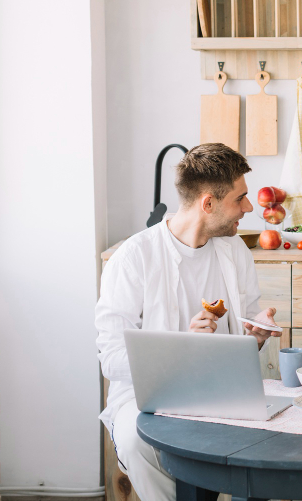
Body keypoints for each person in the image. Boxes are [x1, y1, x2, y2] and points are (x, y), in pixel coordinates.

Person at [95, 144, 280, 501]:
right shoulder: (133, 258)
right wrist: (184, 344)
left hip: (224, 392)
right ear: (207, 203)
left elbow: (244, 335)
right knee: (136, 442)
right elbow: (111, 359)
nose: (249, 207)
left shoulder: (236, 251)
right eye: (240, 198)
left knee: (271, 442)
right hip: (147, 397)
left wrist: (255, 335)